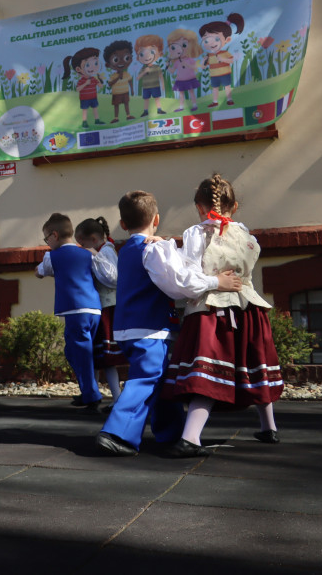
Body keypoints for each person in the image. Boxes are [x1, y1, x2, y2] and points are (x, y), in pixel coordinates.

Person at [96, 190, 239, 457]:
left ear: (124, 225)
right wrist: (215, 282)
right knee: (147, 378)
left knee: (161, 379)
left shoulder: (126, 250)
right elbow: (177, 285)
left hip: (128, 327)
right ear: (157, 219)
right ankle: (116, 433)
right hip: (150, 327)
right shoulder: (153, 248)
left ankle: (171, 431)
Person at [160, 173, 283, 456]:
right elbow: (251, 259)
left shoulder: (195, 234)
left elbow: (190, 274)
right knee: (254, 365)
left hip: (211, 311)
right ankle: (269, 427)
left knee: (208, 372)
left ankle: (191, 436)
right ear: (235, 206)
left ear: (199, 207)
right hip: (248, 309)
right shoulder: (246, 235)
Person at [36, 213, 102, 413]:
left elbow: (39, 271)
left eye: (47, 238)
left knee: (78, 353)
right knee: (81, 352)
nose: (47, 243)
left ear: (54, 235)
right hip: (94, 308)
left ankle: (92, 395)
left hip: (75, 310)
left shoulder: (52, 256)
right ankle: (88, 390)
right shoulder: (88, 253)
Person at [74, 217, 123, 401]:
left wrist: (94, 256)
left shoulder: (106, 252)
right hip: (99, 308)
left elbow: (112, 278)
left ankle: (117, 398)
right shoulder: (99, 251)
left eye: (83, 243)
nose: (82, 247)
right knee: (93, 355)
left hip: (108, 308)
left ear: (94, 239)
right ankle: (92, 394)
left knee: (108, 358)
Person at [199, 13, 244, 108]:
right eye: (206, 40)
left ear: (227, 40)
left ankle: (229, 99)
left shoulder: (224, 53)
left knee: (227, 87)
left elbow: (231, 61)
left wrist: (222, 59)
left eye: (216, 39)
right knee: (215, 88)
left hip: (224, 74)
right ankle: (215, 101)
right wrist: (203, 61)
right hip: (214, 75)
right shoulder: (209, 55)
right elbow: (203, 67)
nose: (210, 43)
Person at [63, 47, 104, 128]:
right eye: (88, 65)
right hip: (84, 98)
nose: (93, 67)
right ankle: (84, 122)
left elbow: (101, 86)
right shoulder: (81, 81)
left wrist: (100, 80)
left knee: (95, 108)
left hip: (93, 97)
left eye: (96, 63)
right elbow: (78, 89)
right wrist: (85, 84)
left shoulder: (93, 79)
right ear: (78, 69)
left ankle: (97, 120)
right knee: (85, 110)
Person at [166, 28, 202, 112]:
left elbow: (195, 68)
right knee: (181, 94)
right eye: (174, 47)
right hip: (180, 81)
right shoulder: (177, 62)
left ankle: (194, 105)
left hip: (190, 79)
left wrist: (187, 64)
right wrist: (167, 67)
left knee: (191, 92)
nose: (180, 50)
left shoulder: (190, 60)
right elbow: (172, 71)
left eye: (184, 46)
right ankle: (181, 107)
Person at [135, 34, 167, 117]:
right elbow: (138, 78)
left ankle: (159, 109)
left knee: (157, 98)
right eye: (142, 54)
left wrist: (163, 85)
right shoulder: (143, 68)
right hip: (146, 87)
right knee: (146, 99)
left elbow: (161, 76)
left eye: (151, 52)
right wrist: (144, 72)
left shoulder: (157, 67)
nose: (147, 56)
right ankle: (145, 111)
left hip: (155, 85)